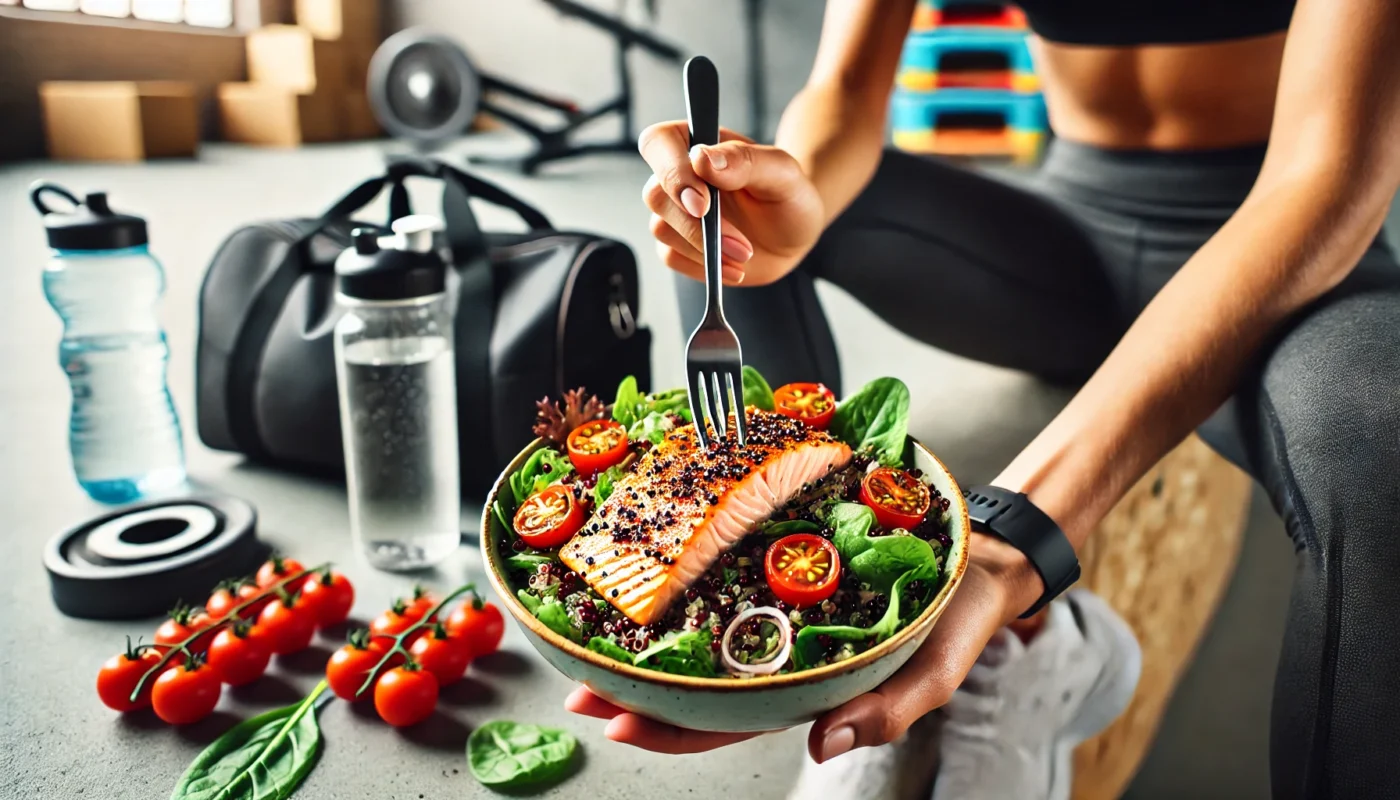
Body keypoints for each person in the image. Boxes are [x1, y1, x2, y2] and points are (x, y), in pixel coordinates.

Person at [564, 0, 1400, 797]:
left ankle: (1039, 646)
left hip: (1292, 239)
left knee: (1377, 428)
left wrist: (1012, 538)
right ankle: (808, 641)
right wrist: (797, 199)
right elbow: (846, 92)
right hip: (1070, 239)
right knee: (737, 217)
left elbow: (1321, 178)